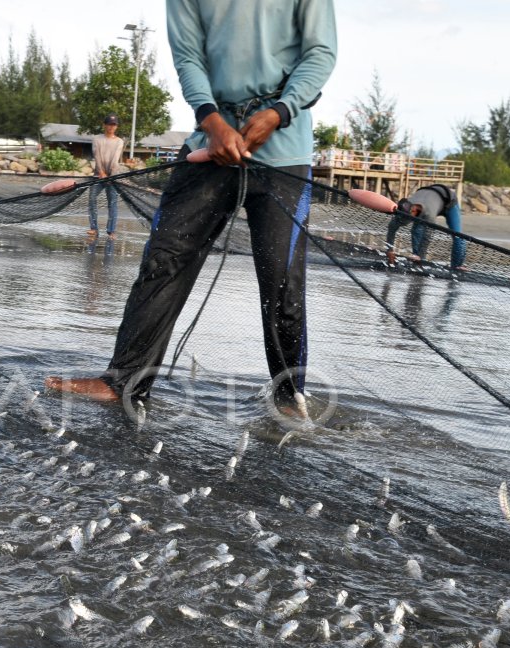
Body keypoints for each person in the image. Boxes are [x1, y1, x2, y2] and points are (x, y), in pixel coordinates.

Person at [45, 0, 337, 418]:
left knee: (282, 282)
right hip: (210, 144)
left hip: (284, 152)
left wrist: (280, 111)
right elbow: (188, 56)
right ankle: (123, 380)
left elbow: (320, 53)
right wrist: (212, 120)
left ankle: (289, 396)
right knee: (164, 259)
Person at [385, 184, 466, 269]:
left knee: (458, 237)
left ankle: (457, 266)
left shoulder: (429, 215)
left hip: (449, 201)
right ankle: (417, 260)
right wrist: (389, 250)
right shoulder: (405, 207)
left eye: (403, 220)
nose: (400, 221)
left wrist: (420, 255)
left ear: (413, 214)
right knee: (416, 231)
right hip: (427, 196)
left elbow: (427, 237)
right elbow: (391, 227)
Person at [88, 114, 124, 239]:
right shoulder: (97, 139)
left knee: (112, 203)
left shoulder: (119, 141)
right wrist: (102, 172)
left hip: (113, 176)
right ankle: (94, 228)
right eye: (109, 124)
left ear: (116, 127)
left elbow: (115, 159)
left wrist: (110, 175)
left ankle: (111, 230)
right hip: (98, 175)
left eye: (114, 125)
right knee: (92, 199)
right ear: (104, 125)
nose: (111, 127)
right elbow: (96, 156)